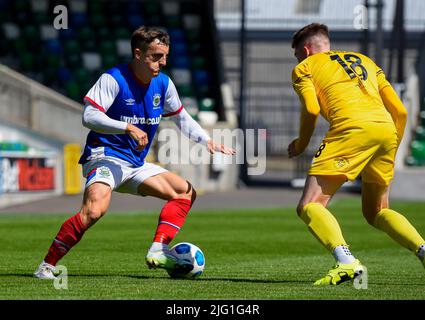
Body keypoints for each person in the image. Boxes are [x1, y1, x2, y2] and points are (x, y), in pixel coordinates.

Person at [34, 26, 235, 279]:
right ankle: (47, 266)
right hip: (105, 155)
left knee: (184, 192)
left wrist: (206, 140)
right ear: (138, 54)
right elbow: (89, 116)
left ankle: (159, 249)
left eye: (165, 57)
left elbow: (181, 117)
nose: (161, 63)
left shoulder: (163, 83)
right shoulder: (113, 79)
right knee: (94, 211)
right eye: (155, 56)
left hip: (136, 164)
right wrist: (126, 127)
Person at [288, 23, 425, 285]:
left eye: (296, 55)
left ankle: (347, 262)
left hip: (350, 129)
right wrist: (390, 147)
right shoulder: (365, 61)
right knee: (377, 211)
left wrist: (302, 143)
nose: (297, 60)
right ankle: (423, 250)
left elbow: (311, 107)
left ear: (305, 51)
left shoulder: (304, 68)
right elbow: (401, 111)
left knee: (309, 205)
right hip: (386, 131)